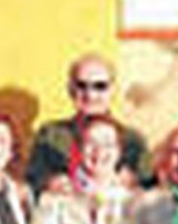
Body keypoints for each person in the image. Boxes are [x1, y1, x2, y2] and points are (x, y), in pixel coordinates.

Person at [27, 114, 138, 224]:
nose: (99, 151)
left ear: (119, 151)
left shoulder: (134, 202)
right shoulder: (53, 201)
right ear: (77, 149)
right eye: (91, 143)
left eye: (108, 144)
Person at [26, 53, 151, 193]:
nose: (90, 94)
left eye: (100, 86)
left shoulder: (132, 140)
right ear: (70, 89)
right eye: (81, 85)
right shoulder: (50, 135)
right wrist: (48, 184)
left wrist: (135, 182)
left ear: (113, 89)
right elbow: (31, 183)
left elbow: (151, 188)